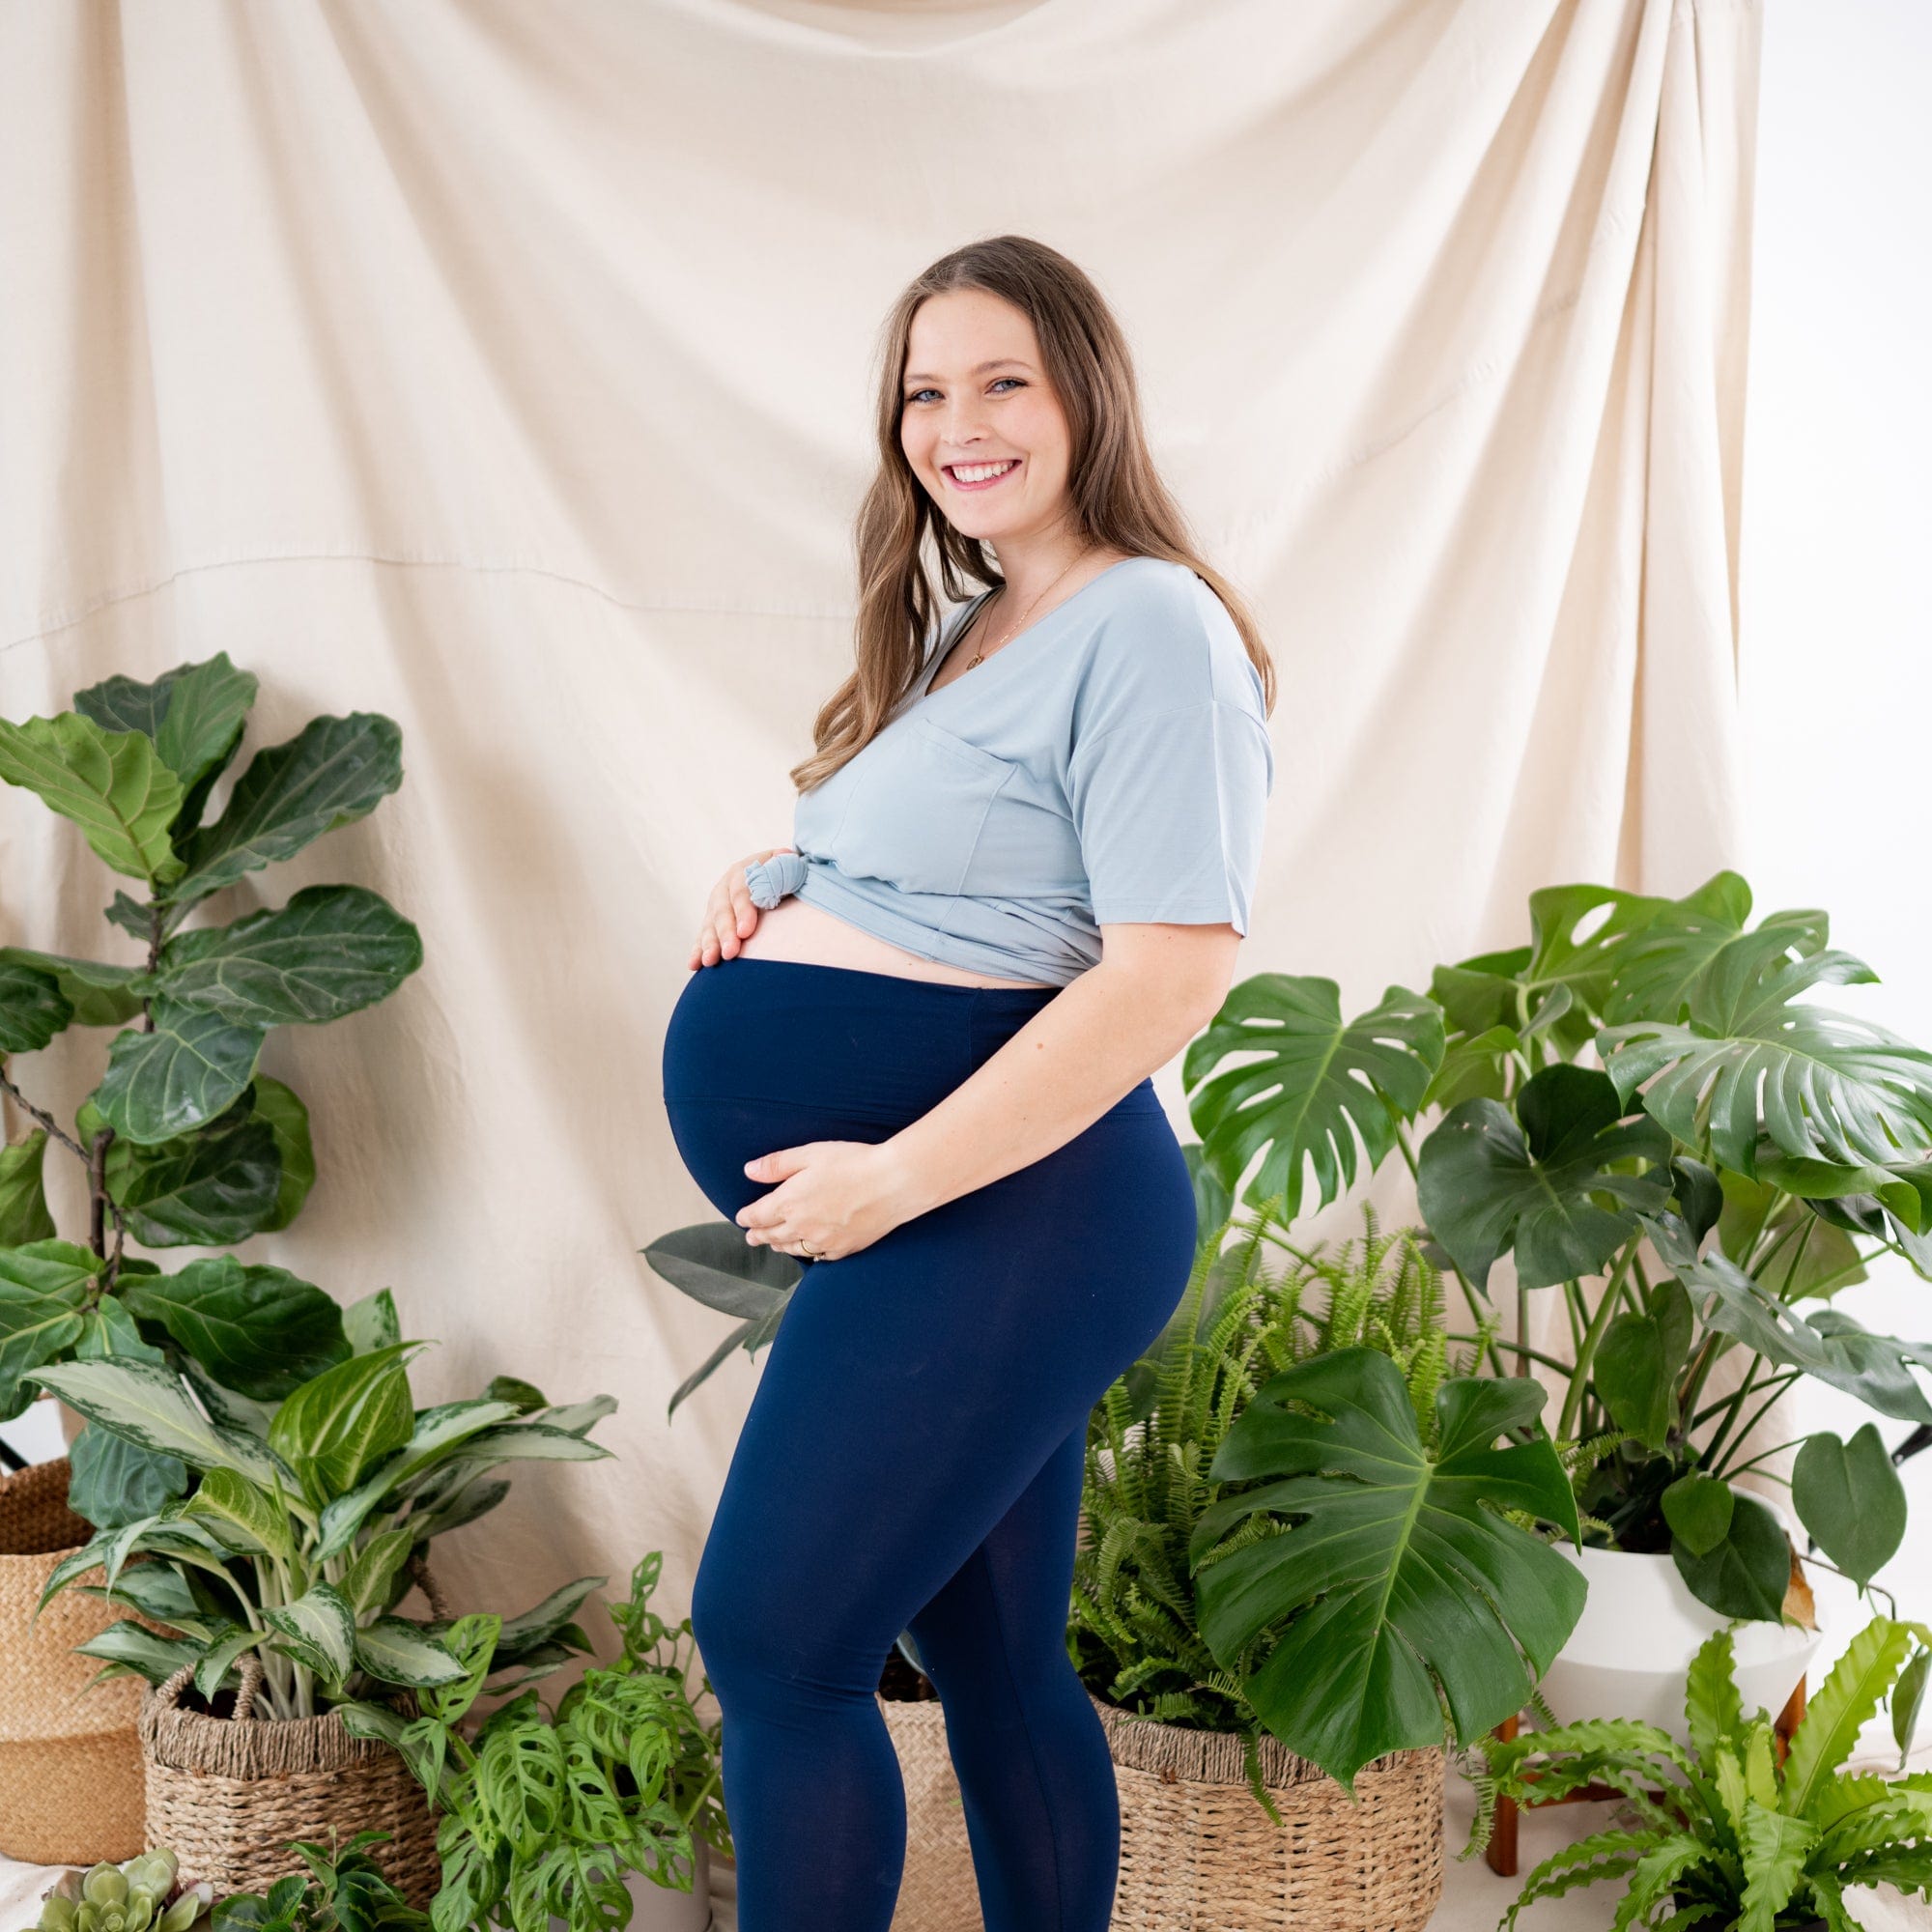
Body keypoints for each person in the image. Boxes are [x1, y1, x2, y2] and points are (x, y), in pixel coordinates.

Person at [659, 234, 1276, 1931]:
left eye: (1003, 377)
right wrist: (783, 877)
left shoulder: (1149, 623)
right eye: (927, 391)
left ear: (1087, 390)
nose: (960, 421)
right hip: (969, 1214)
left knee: (779, 1650)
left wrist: (893, 1181)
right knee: (996, 1666)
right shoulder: (975, 623)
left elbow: (1172, 968)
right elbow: (972, 883)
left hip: (1012, 1210)